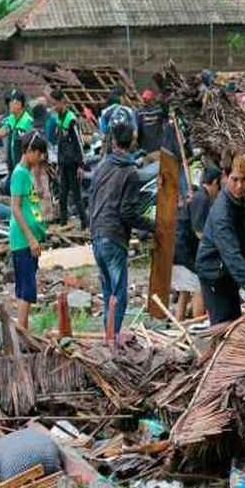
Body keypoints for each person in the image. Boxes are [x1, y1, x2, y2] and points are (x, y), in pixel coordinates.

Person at [89, 106, 155, 343]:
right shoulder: (130, 173)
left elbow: (92, 198)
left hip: (96, 234)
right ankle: (113, 341)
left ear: (114, 141)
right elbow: (127, 213)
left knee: (109, 293)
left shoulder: (103, 166)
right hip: (113, 236)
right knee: (118, 295)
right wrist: (153, 226)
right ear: (133, 142)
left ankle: (108, 339)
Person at [196, 154, 245, 323]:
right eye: (234, 180)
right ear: (225, 178)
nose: (239, 186)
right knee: (222, 326)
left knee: (234, 321)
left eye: (243, 179)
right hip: (213, 271)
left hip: (228, 272)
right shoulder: (222, 212)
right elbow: (232, 255)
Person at [9, 131, 48, 330]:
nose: (41, 158)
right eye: (39, 153)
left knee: (26, 289)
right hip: (23, 241)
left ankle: (22, 332)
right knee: (27, 290)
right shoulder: (19, 174)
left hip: (27, 240)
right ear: (29, 151)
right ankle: (21, 334)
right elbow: (15, 208)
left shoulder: (26, 173)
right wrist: (31, 238)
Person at [173, 166, 221, 321]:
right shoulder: (203, 198)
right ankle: (196, 324)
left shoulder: (198, 196)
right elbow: (199, 230)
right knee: (200, 287)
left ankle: (178, 326)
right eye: (219, 187)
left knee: (185, 292)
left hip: (178, 250)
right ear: (214, 183)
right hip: (185, 252)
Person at [50, 90, 87, 228]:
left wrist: (81, 165)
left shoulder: (71, 119)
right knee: (62, 194)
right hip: (63, 162)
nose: (53, 107)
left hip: (73, 163)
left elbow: (80, 143)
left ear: (61, 102)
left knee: (77, 195)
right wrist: (58, 163)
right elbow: (60, 142)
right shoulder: (59, 118)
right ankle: (63, 222)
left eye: (54, 104)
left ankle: (84, 223)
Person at [0, 90, 34, 177]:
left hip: (23, 166)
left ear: (20, 104)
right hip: (12, 164)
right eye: (10, 101)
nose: (10, 104)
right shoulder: (12, 118)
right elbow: (2, 132)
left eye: (13, 101)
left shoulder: (28, 121)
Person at [136, 89, 165, 157]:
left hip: (146, 147)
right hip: (159, 145)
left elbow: (138, 129)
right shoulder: (159, 111)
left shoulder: (140, 113)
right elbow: (162, 122)